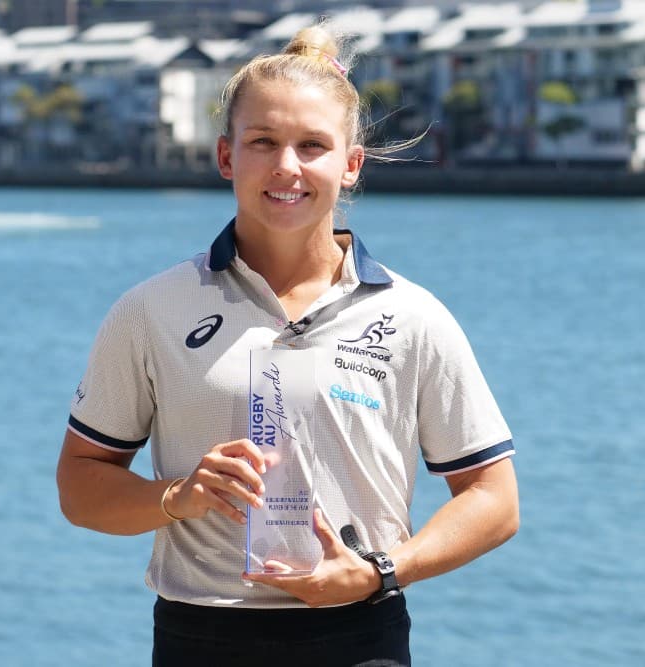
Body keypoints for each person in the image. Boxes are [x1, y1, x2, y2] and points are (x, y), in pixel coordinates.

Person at [56, 23, 519, 667]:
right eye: (263, 142)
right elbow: (80, 486)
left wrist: (383, 571)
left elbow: (494, 500)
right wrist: (178, 496)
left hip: (362, 636)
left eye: (313, 146)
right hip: (201, 637)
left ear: (351, 165)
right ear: (226, 156)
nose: (286, 167)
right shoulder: (150, 311)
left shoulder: (414, 317)